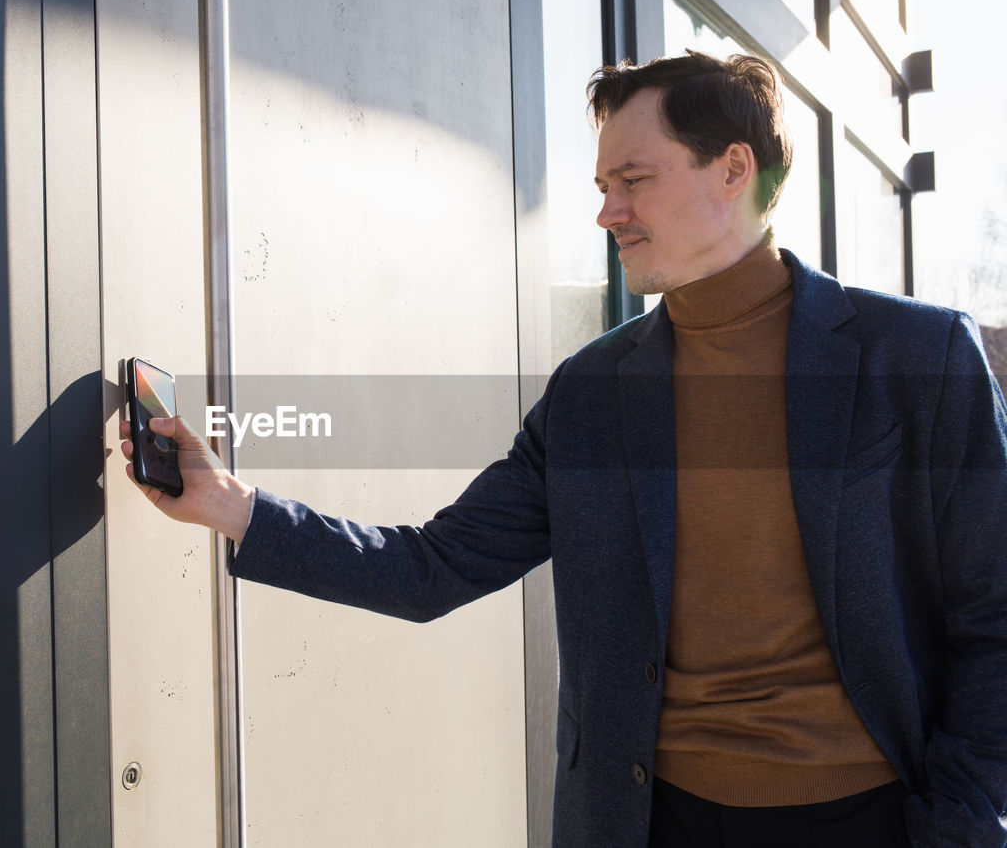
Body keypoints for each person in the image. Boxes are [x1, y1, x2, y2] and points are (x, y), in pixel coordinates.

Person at [121, 51, 1007, 847]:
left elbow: (994, 623)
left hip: (867, 821)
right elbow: (434, 565)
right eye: (600, 184)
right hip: (646, 820)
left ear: (734, 169)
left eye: (632, 179)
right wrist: (233, 507)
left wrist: (959, 827)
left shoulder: (918, 358)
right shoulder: (591, 392)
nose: (605, 212)